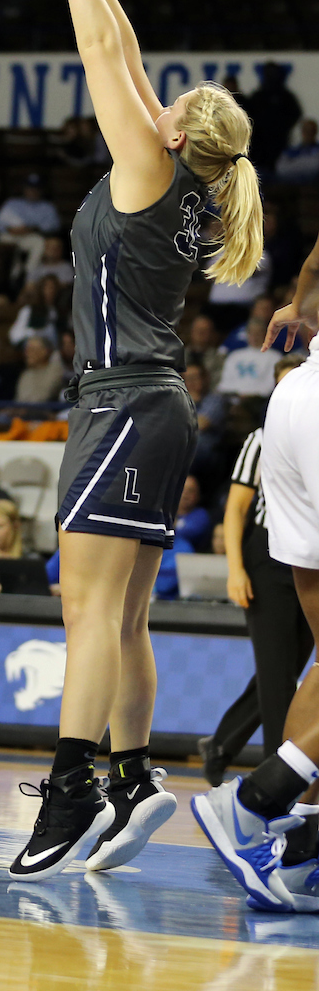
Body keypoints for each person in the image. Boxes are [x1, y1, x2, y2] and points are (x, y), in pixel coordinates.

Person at [9, 0, 263, 884]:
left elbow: (102, 54)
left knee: (88, 607)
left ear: (174, 134)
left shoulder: (150, 171)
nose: (159, 97)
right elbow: (129, 55)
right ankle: (130, 776)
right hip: (151, 406)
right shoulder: (192, 181)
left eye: (175, 103)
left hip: (121, 403)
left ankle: (74, 788)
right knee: (121, 613)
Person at [192, 236, 319, 912]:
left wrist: (300, 304)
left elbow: (313, 261)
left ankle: (298, 849)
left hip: (296, 397)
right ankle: (252, 801)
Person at [199, 356, 313, 787]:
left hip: (307, 553)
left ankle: (222, 744)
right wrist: (234, 569)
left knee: (283, 669)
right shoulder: (260, 439)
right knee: (279, 674)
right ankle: (275, 778)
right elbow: (235, 509)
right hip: (265, 556)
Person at [14, 335, 65, 406]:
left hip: (44, 412)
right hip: (22, 413)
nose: (27, 354)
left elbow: (44, 396)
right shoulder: (26, 374)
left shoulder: (55, 370)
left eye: (31, 350)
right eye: (26, 350)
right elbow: (19, 399)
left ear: (45, 351)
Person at [274, 119, 319, 185]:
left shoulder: (317, 150)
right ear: (302, 132)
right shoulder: (292, 151)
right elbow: (281, 169)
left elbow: (315, 168)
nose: (308, 134)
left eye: (311, 131)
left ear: (315, 132)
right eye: (306, 131)